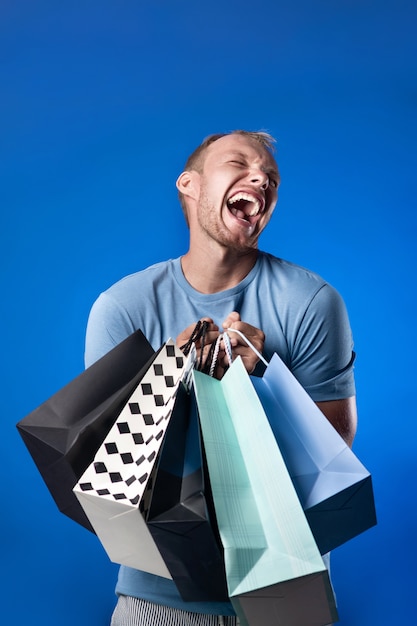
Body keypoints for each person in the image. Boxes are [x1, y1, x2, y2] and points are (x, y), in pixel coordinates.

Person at [85, 130, 357, 626]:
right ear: (189, 185)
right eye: (240, 164)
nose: (261, 178)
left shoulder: (313, 303)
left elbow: (336, 443)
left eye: (271, 178)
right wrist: (168, 370)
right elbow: (104, 459)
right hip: (158, 594)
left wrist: (263, 374)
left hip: (283, 588)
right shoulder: (123, 307)